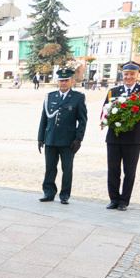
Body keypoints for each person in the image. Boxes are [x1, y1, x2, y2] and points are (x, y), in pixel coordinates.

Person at [103, 62, 140, 211]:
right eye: (126, 74)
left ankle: (124, 200)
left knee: (129, 171)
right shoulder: (113, 91)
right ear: (122, 75)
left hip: (133, 138)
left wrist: (132, 115)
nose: (128, 77)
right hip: (114, 137)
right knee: (113, 169)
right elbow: (105, 111)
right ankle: (113, 199)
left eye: (132, 74)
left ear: (137, 75)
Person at [37, 68, 87, 204]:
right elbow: (44, 118)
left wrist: (78, 138)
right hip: (51, 138)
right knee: (50, 167)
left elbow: (82, 120)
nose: (63, 83)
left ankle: (64, 195)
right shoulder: (50, 96)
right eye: (61, 80)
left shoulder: (78, 97)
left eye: (66, 80)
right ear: (57, 81)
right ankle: (49, 192)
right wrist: (40, 137)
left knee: (67, 168)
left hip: (68, 140)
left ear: (71, 81)